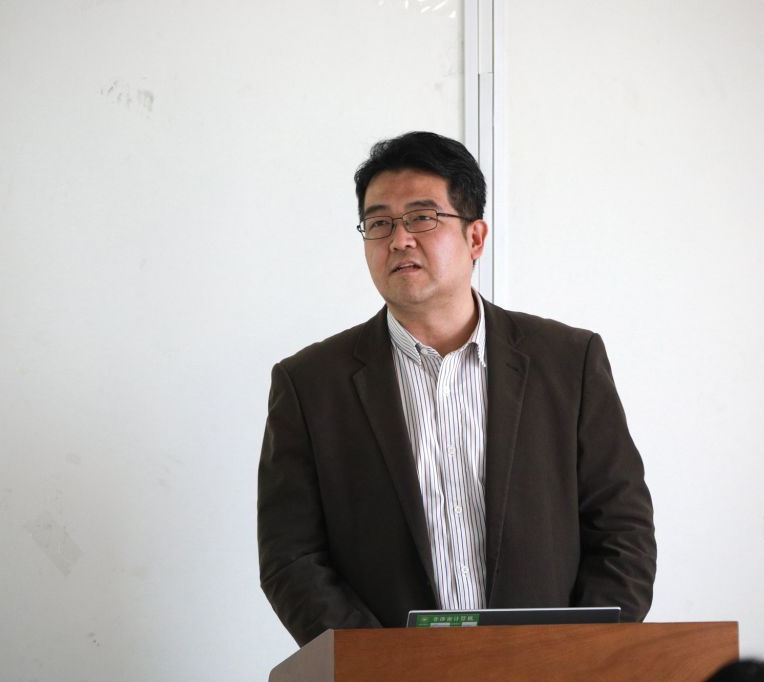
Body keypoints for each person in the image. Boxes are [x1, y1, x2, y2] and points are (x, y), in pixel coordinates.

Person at [257, 131, 656, 646]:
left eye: (423, 217)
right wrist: (381, 669)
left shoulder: (568, 361)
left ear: (475, 238)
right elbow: (291, 557)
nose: (399, 239)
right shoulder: (310, 384)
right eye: (379, 223)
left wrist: (576, 657)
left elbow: (622, 532)